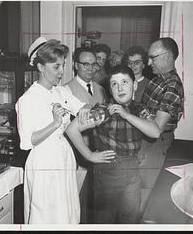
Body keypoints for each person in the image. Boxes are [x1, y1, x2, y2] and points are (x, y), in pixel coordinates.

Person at [15, 37, 115, 224]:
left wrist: (87, 108)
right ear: (40, 67)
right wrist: (54, 123)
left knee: (66, 212)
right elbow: (28, 142)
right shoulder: (28, 99)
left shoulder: (61, 92)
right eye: (56, 67)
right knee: (46, 215)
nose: (62, 72)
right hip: (44, 162)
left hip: (64, 157)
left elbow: (82, 106)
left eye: (63, 65)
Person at [66, 64, 163, 224]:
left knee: (129, 221)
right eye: (114, 84)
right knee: (104, 221)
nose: (120, 88)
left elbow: (155, 132)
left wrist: (126, 115)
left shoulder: (140, 109)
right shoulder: (103, 111)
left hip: (132, 174)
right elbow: (71, 129)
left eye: (125, 82)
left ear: (135, 85)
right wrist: (89, 155)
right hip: (107, 174)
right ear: (110, 90)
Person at [137, 37, 184, 218]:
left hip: (156, 143)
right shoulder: (157, 79)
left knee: (143, 194)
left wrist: (143, 115)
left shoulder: (172, 86)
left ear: (168, 56)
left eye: (152, 58)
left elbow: (157, 127)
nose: (148, 63)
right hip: (144, 139)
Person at [64, 47, 107, 223]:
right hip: (77, 155)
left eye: (93, 64)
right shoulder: (66, 90)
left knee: (93, 203)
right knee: (75, 201)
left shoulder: (101, 89)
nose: (90, 68)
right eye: (85, 64)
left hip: (98, 153)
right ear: (75, 65)